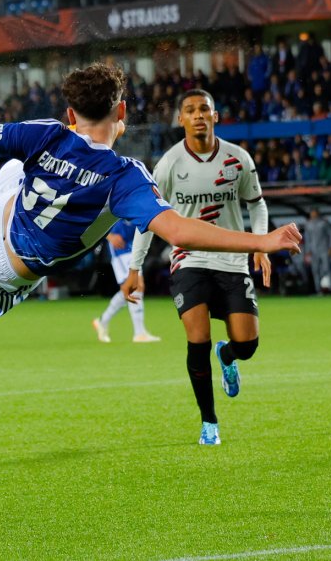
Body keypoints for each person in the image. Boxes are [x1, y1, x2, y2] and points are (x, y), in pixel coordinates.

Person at [0, 64, 302, 328]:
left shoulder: (48, 132)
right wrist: (260, 242)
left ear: (71, 113)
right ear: (123, 110)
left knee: (10, 156)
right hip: (13, 267)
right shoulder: (125, 175)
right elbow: (177, 229)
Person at [123, 89, 271, 446]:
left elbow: (257, 205)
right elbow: (149, 218)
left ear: (215, 116)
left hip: (233, 263)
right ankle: (209, 422)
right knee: (197, 338)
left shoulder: (238, 159)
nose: (198, 114)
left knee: (247, 344)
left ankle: (229, 354)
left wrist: (261, 244)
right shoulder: (169, 164)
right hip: (188, 260)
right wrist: (134, 268)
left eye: (205, 108)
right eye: (190, 110)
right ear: (181, 120)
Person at [92, 219, 161, 343]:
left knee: (131, 287)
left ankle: (103, 321)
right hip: (121, 247)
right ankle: (139, 333)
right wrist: (109, 235)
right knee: (135, 286)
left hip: (133, 244)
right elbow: (94, 216)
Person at [304, 208, 331, 294]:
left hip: (324, 249)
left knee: (326, 269)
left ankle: (330, 288)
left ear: (317, 213)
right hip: (313, 251)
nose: (313, 215)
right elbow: (307, 238)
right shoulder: (308, 224)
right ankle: (318, 290)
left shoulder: (324, 223)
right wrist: (307, 250)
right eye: (311, 213)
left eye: (314, 213)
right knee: (315, 270)